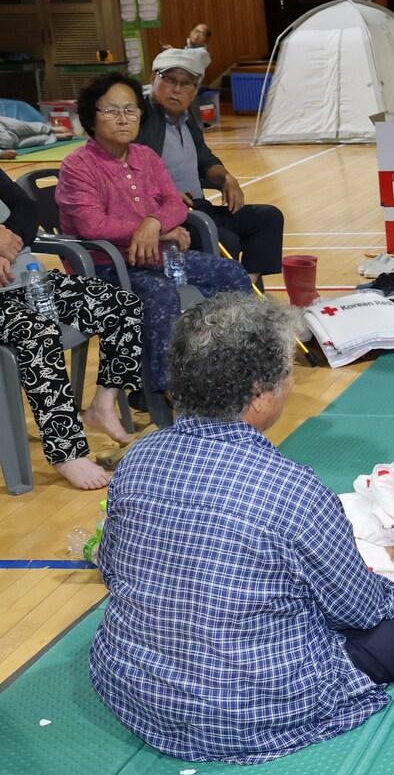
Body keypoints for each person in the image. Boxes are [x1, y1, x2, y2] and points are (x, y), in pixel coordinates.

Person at [89, 294, 394, 764]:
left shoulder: (139, 458)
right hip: (251, 711)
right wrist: (391, 572)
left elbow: (113, 571)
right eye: (288, 372)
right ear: (261, 392)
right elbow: (361, 612)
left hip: (135, 688)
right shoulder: (290, 489)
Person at [55, 72, 251, 396]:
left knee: (231, 273)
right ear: (91, 117)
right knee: (160, 294)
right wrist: (153, 229)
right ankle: (168, 392)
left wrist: (153, 224)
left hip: (156, 257)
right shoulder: (78, 166)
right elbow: (93, 226)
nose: (123, 119)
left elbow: (175, 203)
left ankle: (229, 368)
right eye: (112, 111)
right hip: (103, 269)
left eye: (130, 110)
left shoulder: (146, 156)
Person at [0, 170, 143, 489]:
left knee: (120, 303)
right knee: (37, 332)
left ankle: (103, 404)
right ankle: (66, 450)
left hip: (26, 280)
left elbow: (25, 208)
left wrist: (6, 238)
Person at [136, 47, 285, 286]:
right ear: (153, 78)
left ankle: (245, 289)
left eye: (186, 84)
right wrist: (164, 196)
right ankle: (237, 297)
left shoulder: (185, 118)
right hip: (171, 216)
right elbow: (129, 173)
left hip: (199, 208)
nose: (176, 89)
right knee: (226, 240)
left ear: (195, 91)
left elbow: (205, 160)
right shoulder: (139, 119)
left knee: (267, 218)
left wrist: (226, 178)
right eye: (170, 80)